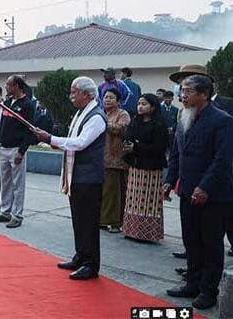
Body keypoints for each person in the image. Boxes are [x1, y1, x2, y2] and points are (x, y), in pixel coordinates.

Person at [164, 75, 233, 310]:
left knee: (211, 244)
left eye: (188, 91)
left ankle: (208, 291)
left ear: (204, 94)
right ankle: (191, 283)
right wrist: (169, 180)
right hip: (186, 191)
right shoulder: (185, 117)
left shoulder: (222, 121)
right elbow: (176, 154)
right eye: (181, 91)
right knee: (191, 240)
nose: (182, 95)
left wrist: (204, 187)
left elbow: (223, 159)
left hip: (213, 194)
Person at [32, 76, 106, 281]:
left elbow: (80, 143)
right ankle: (81, 256)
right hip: (77, 176)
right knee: (78, 219)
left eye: (74, 92)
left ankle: (91, 264)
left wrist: (50, 139)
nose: (71, 96)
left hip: (89, 178)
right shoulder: (82, 113)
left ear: (86, 94)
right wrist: (52, 139)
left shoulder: (96, 117)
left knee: (88, 222)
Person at [121, 94, 168, 242]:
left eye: (144, 104)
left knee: (148, 201)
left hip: (151, 168)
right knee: (133, 199)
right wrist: (128, 145)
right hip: (136, 165)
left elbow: (159, 147)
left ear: (153, 107)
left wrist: (137, 146)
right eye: (139, 103)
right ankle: (131, 230)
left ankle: (148, 234)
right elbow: (128, 137)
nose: (140, 107)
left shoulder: (159, 125)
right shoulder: (135, 121)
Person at [0, 75, 35, 229]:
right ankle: (6, 212)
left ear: (16, 86)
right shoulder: (7, 103)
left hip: (16, 150)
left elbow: (30, 131)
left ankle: (17, 215)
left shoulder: (27, 104)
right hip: (4, 149)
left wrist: (21, 152)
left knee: (18, 184)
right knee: (6, 182)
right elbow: (2, 126)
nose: (6, 87)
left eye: (8, 85)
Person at [99, 89, 130, 233]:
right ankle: (103, 220)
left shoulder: (122, 114)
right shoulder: (103, 114)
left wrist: (104, 123)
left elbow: (122, 130)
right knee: (104, 192)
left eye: (111, 97)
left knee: (115, 193)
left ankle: (116, 222)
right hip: (102, 158)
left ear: (118, 101)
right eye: (105, 97)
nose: (107, 100)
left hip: (116, 159)